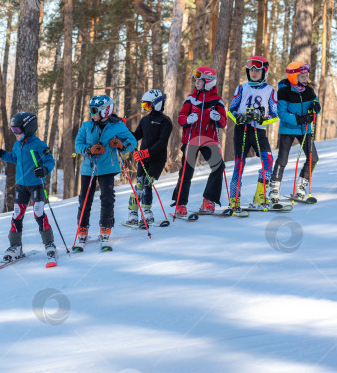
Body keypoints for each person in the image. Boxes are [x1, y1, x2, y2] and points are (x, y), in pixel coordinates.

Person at [0, 112, 56, 264]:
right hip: (21, 185)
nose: (15, 133)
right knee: (17, 214)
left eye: (17, 130)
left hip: (36, 185)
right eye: (13, 130)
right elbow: (14, 158)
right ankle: (16, 247)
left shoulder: (39, 144)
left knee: (38, 213)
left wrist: (44, 170)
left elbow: (50, 161)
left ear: (28, 128)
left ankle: (49, 243)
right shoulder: (17, 144)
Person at [74, 95, 137, 246]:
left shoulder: (118, 126)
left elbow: (132, 141)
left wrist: (121, 145)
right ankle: (82, 228)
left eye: (94, 111)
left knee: (107, 198)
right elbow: (78, 145)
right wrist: (89, 149)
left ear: (105, 111)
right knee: (85, 199)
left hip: (108, 167)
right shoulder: (86, 126)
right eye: (90, 110)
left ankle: (105, 226)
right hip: (88, 168)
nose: (91, 114)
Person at [171, 66, 227, 216]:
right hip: (192, 139)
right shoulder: (190, 98)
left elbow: (223, 122)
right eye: (195, 80)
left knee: (218, 166)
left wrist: (217, 118)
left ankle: (208, 200)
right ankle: (180, 204)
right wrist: (188, 119)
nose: (196, 83)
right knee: (186, 171)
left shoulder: (217, 101)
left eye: (199, 80)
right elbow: (181, 118)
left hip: (209, 140)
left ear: (208, 82)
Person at [227, 56, 278, 209]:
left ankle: (260, 196)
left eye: (257, 70)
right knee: (239, 164)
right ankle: (234, 199)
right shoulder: (241, 88)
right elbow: (231, 110)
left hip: (259, 130)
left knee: (268, 160)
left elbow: (275, 116)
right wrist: (239, 117)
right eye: (251, 70)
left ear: (264, 72)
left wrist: (262, 119)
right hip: (242, 130)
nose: (254, 73)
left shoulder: (270, 91)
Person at [270, 61, 320, 203]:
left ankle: (301, 186)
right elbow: (282, 113)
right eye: (302, 76)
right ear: (293, 77)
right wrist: (299, 119)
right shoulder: (284, 91)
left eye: (306, 76)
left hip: (305, 129)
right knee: (282, 160)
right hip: (288, 129)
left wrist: (316, 107)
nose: (306, 79)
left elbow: (316, 104)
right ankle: (274, 189)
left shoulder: (309, 90)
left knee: (313, 158)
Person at [126, 89, 173, 226]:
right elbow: (136, 136)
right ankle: (132, 212)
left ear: (156, 104)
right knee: (139, 184)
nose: (145, 109)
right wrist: (124, 130)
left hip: (157, 159)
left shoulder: (165, 121)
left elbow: (162, 143)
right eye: (143, 106)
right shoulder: (145, 120)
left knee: (147, 183)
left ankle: (147, 212)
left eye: (147, 105)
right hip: (143, 158)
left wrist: (146, 152)